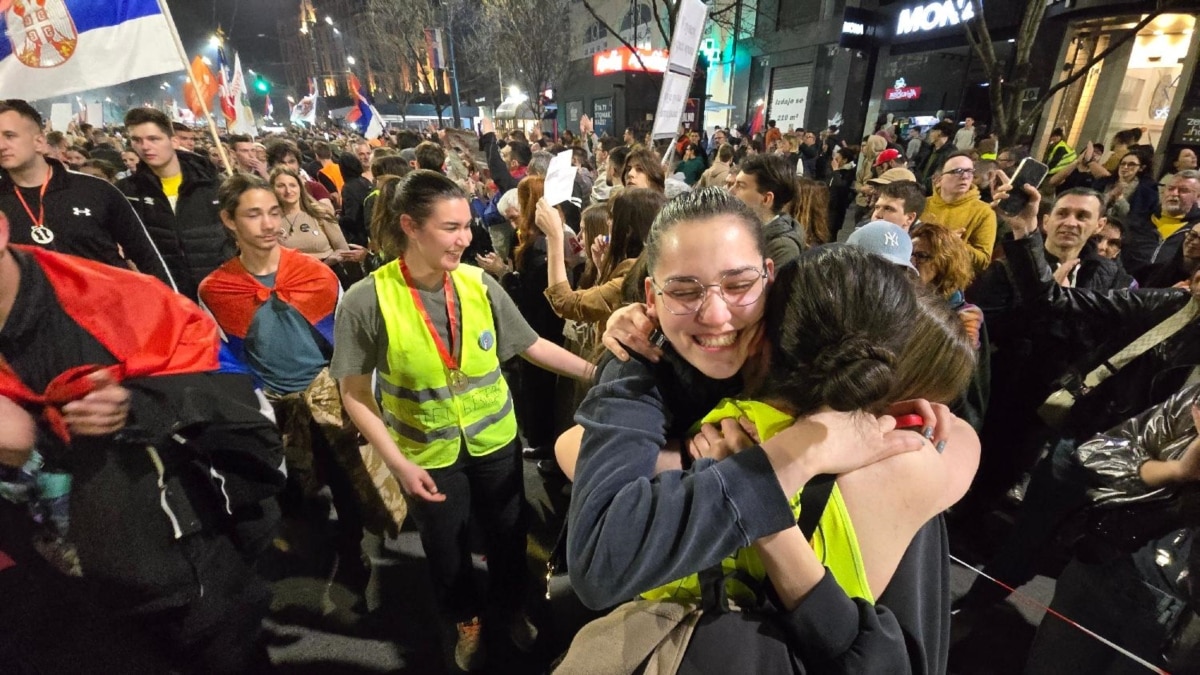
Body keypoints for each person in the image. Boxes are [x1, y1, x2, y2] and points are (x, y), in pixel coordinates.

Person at [566, 189, 977, 673]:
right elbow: (588, 517)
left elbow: (961, 449)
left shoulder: (883, 442)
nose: (717, 314)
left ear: (771, 279)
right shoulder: (640, 367)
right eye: (683, 290)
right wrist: (795, 454)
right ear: (652, 297)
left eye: (738, 284)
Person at [332, 170, 593, 671]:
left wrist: (595, 372)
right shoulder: (367, 299)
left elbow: (530, 345)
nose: (466, 237)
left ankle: (512, 606)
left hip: (494, 439)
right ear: (410, 226)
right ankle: (466, 619)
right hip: (427, 451)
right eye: (450, 227)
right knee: (446, 548)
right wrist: (397, 465)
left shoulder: (478, 283)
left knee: (508, 533)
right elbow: (356, 394)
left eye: (468, 225)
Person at [0, 207, 281, 673]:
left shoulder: (115, 299)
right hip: (53, 599)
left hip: (181, 577)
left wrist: (138, 404)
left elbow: (240, 404)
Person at [198, 174, 392, 607]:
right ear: (230, 221)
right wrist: (254, 406)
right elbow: (224, 360)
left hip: (326, 395)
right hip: (271, 406)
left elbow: (350, 344)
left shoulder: (316, 275)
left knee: (346, 483)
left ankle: (351, 551)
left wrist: (360, 397)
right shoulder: (215, 289)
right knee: (289, 488)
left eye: (272, 212)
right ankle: (304, 553)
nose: (269, 224)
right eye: (253, 214)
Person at [0, 100, 174, 288]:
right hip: (36, 316)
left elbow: (147, 257)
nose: (1, 145)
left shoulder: (96, 190)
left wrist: (175, 312)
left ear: (39, 142)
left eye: (10, 136)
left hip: (110, 310)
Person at [119, 107, 232, 301]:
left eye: (154, 139)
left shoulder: (212, 183)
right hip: (165, 296)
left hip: (219, 290)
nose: (145, 147)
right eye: (136, 140)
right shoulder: (127, 192)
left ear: (173, 141)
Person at [537, 188, 666, 341]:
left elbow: (566, 302)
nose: (608, 222)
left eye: (612, 217)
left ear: (627, 230)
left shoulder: (631, 278)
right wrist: (601, 269)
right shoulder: (643, 265)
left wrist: (555, 236)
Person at [270, 167, 364, 268]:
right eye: (281, 186)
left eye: (292, 185)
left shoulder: (320, 213)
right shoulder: (269, 222)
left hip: (329, 273)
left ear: (300, 188)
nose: (288, 190)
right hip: (292, 277)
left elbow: (344, 252)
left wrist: (327, 263)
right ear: (272, 189)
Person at [920, 152, 996, 272]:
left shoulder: (984, 212)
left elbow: (983, 261)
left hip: (952, 282)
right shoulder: (922, 204)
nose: (965, 176)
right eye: (957, 171)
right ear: (938, 179)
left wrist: (954, 244)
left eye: (970, 172)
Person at [730, 154, 805, 266]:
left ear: (766, 199)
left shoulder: (783, 249)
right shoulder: (745, 230)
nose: (731, 191)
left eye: (740, 186)